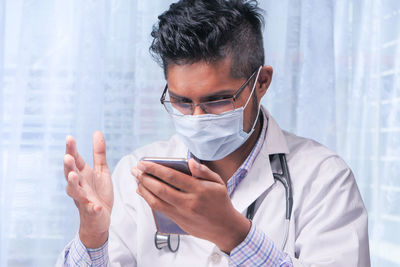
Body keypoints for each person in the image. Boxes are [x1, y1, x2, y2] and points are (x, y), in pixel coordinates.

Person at [56, 0, 370, 266]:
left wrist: (234, 234)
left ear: (261, 83)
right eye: (181, 101)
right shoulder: (136, 173)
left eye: (217, 100)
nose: (196, 118)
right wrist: (93, 238)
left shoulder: (324, 179)